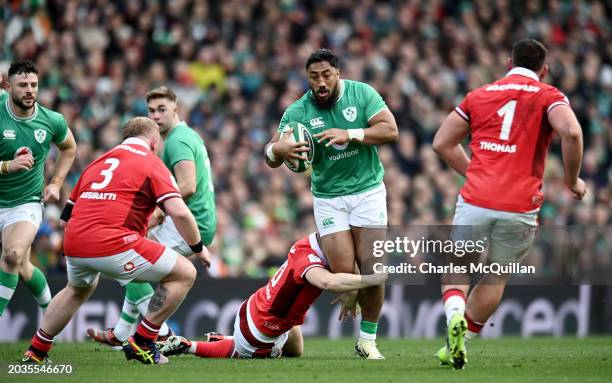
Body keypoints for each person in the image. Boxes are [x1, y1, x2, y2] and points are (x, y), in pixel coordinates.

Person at [432, 39, 586, 369]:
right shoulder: (549, 96)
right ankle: (459, 342)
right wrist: (572, 181)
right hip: (520, 204)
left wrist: (474, 171)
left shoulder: (480, 95)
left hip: (477, 197)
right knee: (496, 276)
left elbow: (442, 143)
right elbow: (572, 133)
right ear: (543, 70)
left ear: (507, 61)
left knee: (459, 267)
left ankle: (454, 317)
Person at [21, 117, 211, 365]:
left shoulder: (97, 163)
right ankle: (142, 342)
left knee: (76, 290)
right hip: (114, 241)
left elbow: (66, 216)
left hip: (75, 242)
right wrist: (198, 248)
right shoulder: (151, 162)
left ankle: (36, 350)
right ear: (154, 141)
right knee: (185, 273)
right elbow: (181, 212)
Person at [264, 49, 398, 359]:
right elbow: (273, 156)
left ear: (337, 73)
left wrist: (350, 134)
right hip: (328, 198)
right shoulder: (298, 111)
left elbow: (390, 131)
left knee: (373, 268)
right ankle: (353, 292)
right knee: (343, 274)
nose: (321, 82)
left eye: (326, 75)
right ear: (307, 79)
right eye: (314, 77)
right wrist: (277, 149)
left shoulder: (361, 93)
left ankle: (367, 340)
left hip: (367, 191)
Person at [86, 87, 216, 347]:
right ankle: (123, 332)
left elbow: (187, 185)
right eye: (151, 111)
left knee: (129, 264)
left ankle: (161, 334)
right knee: (131, 265)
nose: (155, 116)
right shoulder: (183, 136)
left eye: (162, 109)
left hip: (189, 222)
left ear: (175, 109)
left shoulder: (178, 140)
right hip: (187, 220)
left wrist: (157, 211)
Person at [157, 232, 387, 359]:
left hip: (266, 311)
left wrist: (354, 288)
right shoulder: (307, 257)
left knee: (296, 352)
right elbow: (327, 282)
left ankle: (222, 339)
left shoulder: (320, 246)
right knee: (243, 351)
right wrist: (371, 280)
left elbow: (341, 270)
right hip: (258, 327)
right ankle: (190, 346)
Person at [0, 60, 77, 316]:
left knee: (12, 255)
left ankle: (47, 320)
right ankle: (49, 309)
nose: (30, 90)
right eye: (22, 85)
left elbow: (69, 148)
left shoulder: (51, 120)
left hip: (25, 202)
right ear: (8, 86)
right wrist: (7, 166)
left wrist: (55, 183)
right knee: (22, 267)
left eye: (33, 84)